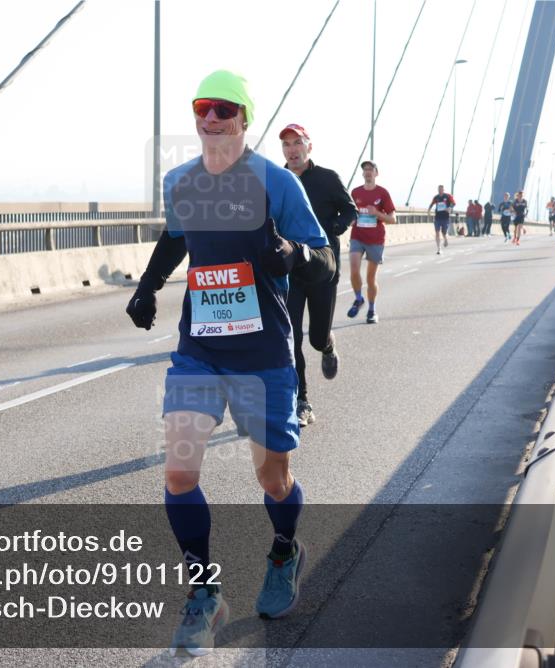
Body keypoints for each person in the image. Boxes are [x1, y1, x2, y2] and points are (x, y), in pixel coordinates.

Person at [124, 71, 334, 656]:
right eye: (201, 108)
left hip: (264, 355)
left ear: (244, 118)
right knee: (179, 472)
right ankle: (203, 592)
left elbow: (325, 262)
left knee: (272, 478)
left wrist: (292, 254)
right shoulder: (181, 181)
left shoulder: (277, 183)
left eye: (223, 109)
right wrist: (147, 286)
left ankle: (286, 548)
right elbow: (177, 236)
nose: (210, 118)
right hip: (201, 350)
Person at [278, 123, 356, 428]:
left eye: (297, 142)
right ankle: (302, 401)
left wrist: (335, 228)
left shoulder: (327, 178)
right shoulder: (278, 180)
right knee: (292, 337)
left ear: (309, 146)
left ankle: (327, 344)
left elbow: (349, 209)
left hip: (323, 268)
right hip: (291, 271)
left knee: (315, 337)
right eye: (286, 144)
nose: (292, 149)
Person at [347, 161, 396, 324]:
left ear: (376, 173)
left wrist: (377, 213)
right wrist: (351, 220)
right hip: (357, 236)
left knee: (370, 278)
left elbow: (392, 219)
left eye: (370, 169)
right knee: (353, 269)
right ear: (363, 174)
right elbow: (349, 212)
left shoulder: (383, 193)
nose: (367, 172)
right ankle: (359, 298)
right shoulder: (355, 192)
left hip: (375, 239)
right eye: (365, 170)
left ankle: (372, 309)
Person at [427, 185, 454, 254]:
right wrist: (429, 210)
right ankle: (439, 248)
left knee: (443, 232)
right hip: (438, 217)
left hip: (445, 217)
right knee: (437, 232)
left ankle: (445, 239)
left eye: (441, 189)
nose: (440, 190)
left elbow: (453, 203)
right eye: (439, 189)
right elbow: (432, 204)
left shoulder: (448, 196)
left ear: (443, 189)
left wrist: (449, 208)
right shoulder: (436, 197)